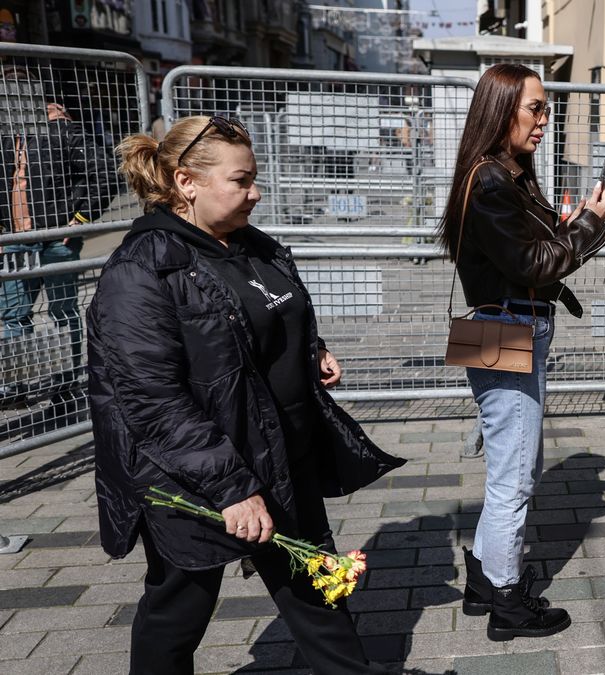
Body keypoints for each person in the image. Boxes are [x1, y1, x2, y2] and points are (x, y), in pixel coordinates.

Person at [88, 114, 404, 674]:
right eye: (241, 180)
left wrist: (312, 351)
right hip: (197, 472)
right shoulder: (142, 270)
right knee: (178, 610)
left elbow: (269, 317)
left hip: (283, 451)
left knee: (316, 591)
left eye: (253, 178)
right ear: (187, 182)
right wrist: (232, 487)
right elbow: (151, 399)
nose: (255, 192)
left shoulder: (252, 245)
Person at [439, 64, 605, 642]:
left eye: (546, 108)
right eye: (534, 108)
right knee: (514, 476)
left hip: (507, 326)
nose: (544, 120)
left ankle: (486, 582)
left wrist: (564, 225)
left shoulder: (504, 175)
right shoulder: (490, 180)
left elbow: (526, 250)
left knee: (513, 468)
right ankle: (508, 605)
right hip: (507, 328)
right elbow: (532, 264)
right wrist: (588, 224)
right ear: (500, 110)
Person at [0, 99, 118, 404]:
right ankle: (17, 385)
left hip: (56, 238)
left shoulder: (65, 133)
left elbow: (106, 176)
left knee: (61, 313)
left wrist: (78, 220)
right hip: (14, 238)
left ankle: (64, 385)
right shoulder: (6, 135)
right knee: (15, 315)